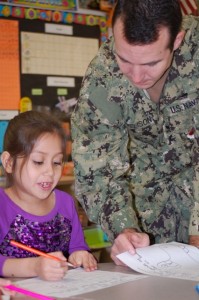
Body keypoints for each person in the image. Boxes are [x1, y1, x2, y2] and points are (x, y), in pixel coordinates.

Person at [71, 0, 199, 265]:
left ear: (176, 40)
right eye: (125, 59)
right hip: (146, 215)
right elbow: (96, 168)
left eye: (151, 63)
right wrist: (123, 228)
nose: (137, 76)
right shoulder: (103, 77)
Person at [0, 110, 97, 280]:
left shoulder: (65, 202)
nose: (50, 172)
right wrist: (35, 266)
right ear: (9, 163)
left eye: (57, 162)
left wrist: (81, 255)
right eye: (38, 162)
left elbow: (77, 247)